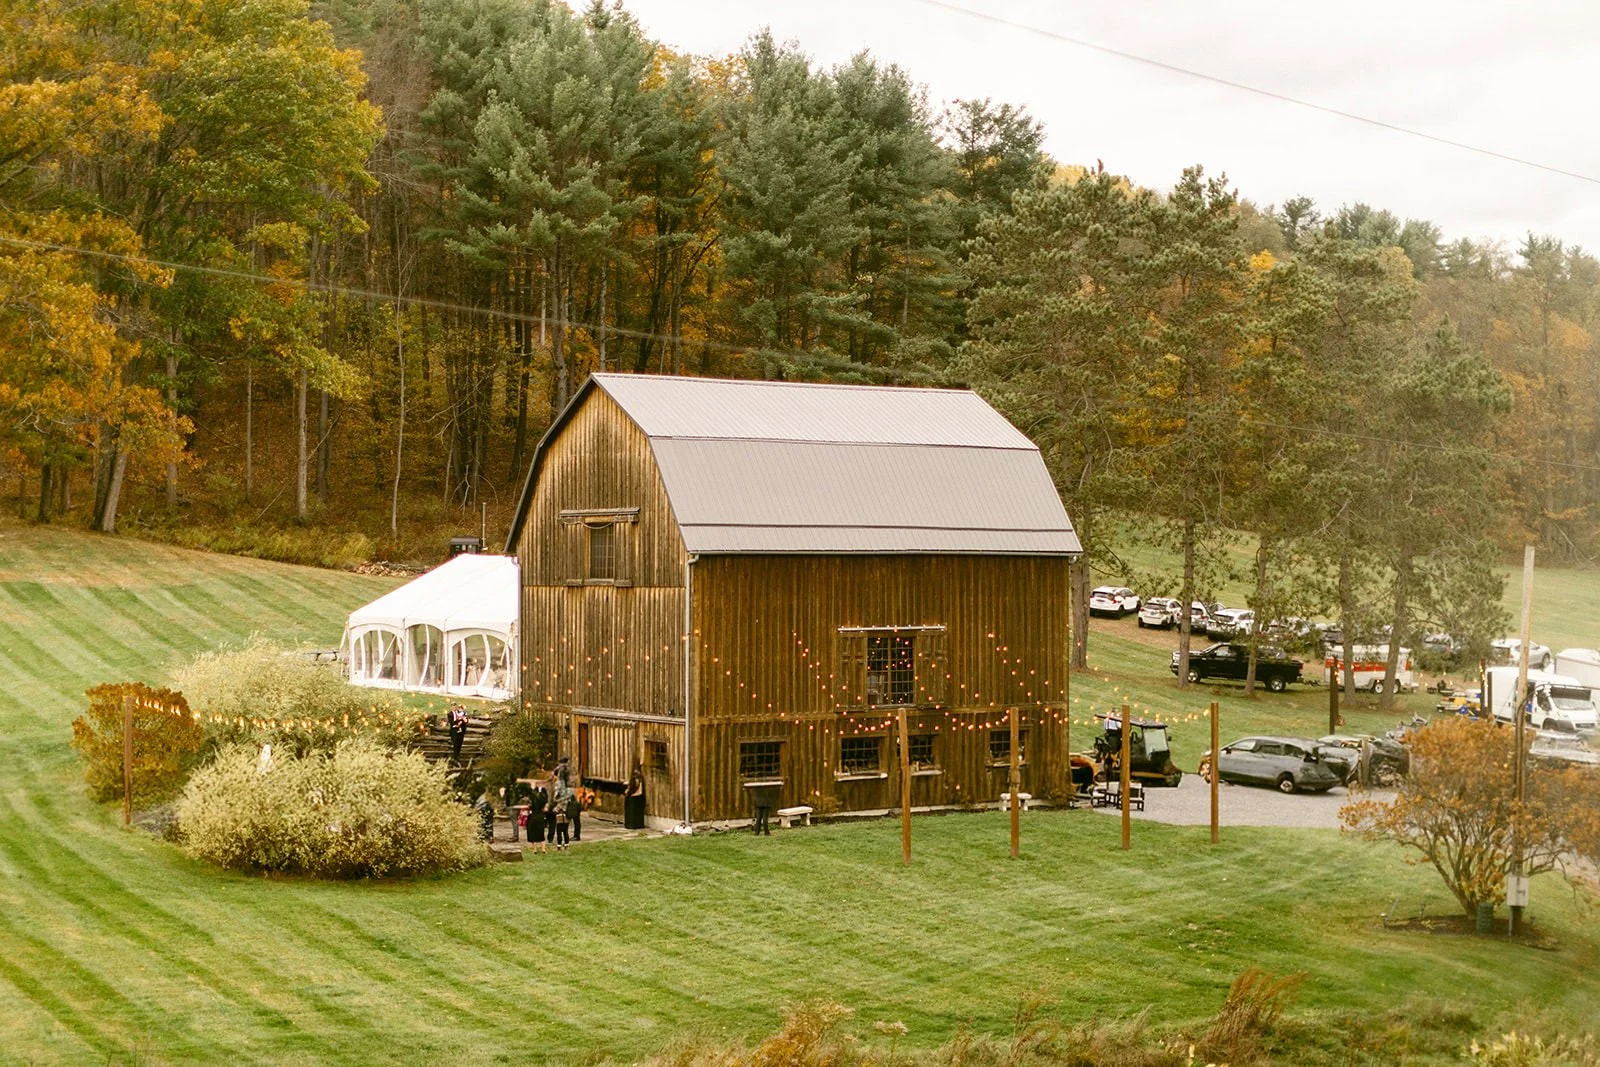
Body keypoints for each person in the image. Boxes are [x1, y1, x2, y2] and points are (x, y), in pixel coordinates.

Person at [527, 779, 548, 851]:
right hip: (541, 816)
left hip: (533, 816)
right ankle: (543, 849)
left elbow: (529, 805)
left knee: (533, 832)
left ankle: (535, 849)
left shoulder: (532, 800)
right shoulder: (543, 799)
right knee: (541, 832)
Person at [624, 764, 646, 830]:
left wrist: (633, 795)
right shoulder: (632, 781)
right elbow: (628, 789)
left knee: (632, 802)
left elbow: (640, 792)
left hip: (637, 798)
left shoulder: (640, 781)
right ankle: (629, 823)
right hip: (632, 796)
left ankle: (634, 824)